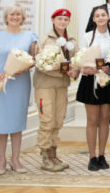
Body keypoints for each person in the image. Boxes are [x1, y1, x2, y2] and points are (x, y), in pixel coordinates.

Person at [0, 4, 38, 176]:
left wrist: (25, 66)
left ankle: (15, 159)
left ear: (22, 17)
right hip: (0, 84)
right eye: (11, 14)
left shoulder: (30, 36)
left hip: (20, 83)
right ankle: (1, 160)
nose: (15, 17)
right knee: (1, 123)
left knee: (16, 122)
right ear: (6, 17)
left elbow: (34, 60)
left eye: (18, 14)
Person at [35, 9, 79, 172]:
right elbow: (40, 63)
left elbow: (76, 60)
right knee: (47, 120)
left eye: (65, 19)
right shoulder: (45, 39)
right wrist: (60, 69)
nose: (62, 22)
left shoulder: (72, 40)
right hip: (45, 84)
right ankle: (46, 157)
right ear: (53, 20)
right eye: (59, 19)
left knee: (58, 119)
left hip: (62, 85)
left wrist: (75, 71)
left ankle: (54, 154)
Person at [77, 6, 110, 171]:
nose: (100, 18)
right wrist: (85, 68)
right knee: (92, 120)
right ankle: (92, 157)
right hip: (90, 80)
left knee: (105, 119)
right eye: (97, 16)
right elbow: (80, 59)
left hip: (107, 80)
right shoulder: (86, 37)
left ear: (108, 17)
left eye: (103, 15)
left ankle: (102, 155)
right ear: (93, 19)